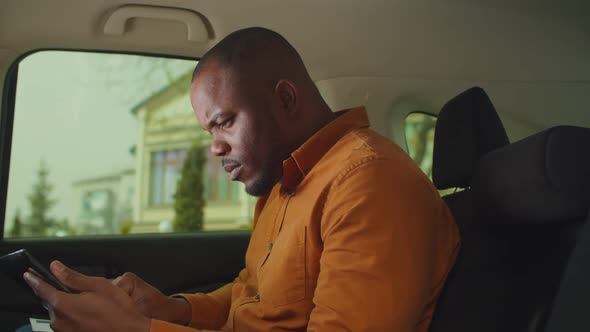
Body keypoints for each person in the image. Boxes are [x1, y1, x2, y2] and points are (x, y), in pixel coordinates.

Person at [24, 27, 460, 332]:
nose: (215, 148)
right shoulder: (284, 185)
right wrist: (172, 311)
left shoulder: (370, 182)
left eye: (225, 123)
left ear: (285, 99)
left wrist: (138, 330)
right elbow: (250, 298)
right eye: (209, 132)